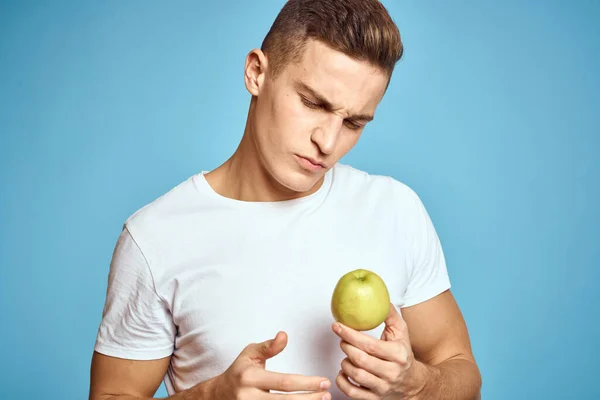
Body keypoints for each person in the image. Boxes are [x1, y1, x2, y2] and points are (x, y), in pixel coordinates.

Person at [89, 0, 482, 399]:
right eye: (313, 103)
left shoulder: (395, 209)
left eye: (353, 123)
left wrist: (418, 385)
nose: (327, 142)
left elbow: (462, 370)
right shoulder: (156, 237)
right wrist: (210, 396)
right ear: (257, 73)